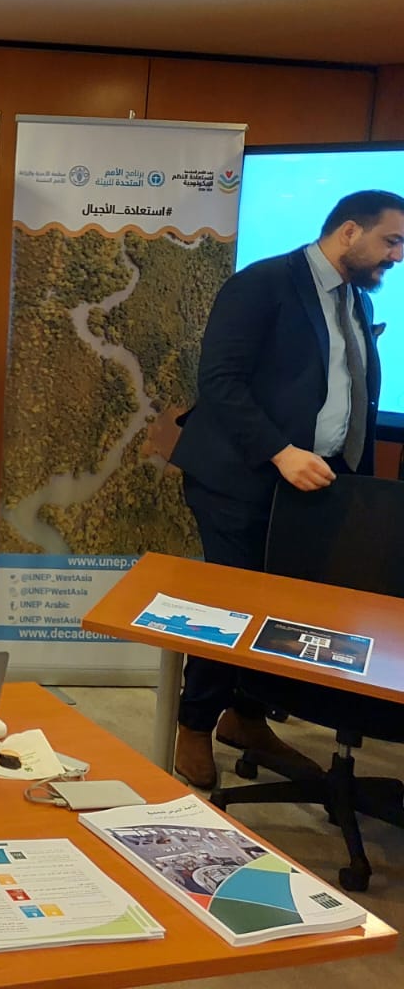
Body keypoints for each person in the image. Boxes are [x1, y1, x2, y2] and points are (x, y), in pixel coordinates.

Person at [168, 189, 404, 788]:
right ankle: (194, 726)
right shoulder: (263, 283)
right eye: (391, 241)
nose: (397, 257)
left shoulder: (352, 297)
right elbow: (220, 382)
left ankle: (245, 719)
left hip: (321, 484)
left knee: (290, 614)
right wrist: (280, 451)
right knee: (234, 609)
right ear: (350, 231)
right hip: (240, 479)